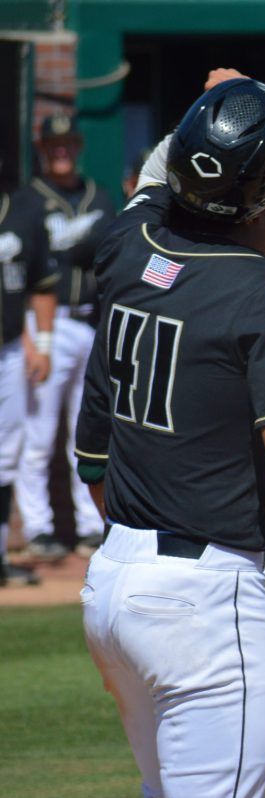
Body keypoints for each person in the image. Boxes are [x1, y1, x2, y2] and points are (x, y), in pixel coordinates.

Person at [74, 74, 265, 797]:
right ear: (264, 196)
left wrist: (205, 119)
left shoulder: (129, 243)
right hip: (202, 596)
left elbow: (155, 179)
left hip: (114, 583)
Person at [16, 112, 114, 561]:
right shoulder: (29, 202)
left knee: (87, 430)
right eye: (54, 143)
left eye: (69, 142)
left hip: (91, 323)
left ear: (78, 145)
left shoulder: (99, 197)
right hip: (47, 323)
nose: (62, 150)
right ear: (42, 148)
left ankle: (91, 527)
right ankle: (38, 529)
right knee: (38, 436)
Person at [0, 172, 57, 587]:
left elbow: (40, 282)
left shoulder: (23, 209)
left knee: (6, 455)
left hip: (9, 349)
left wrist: (41, 342)